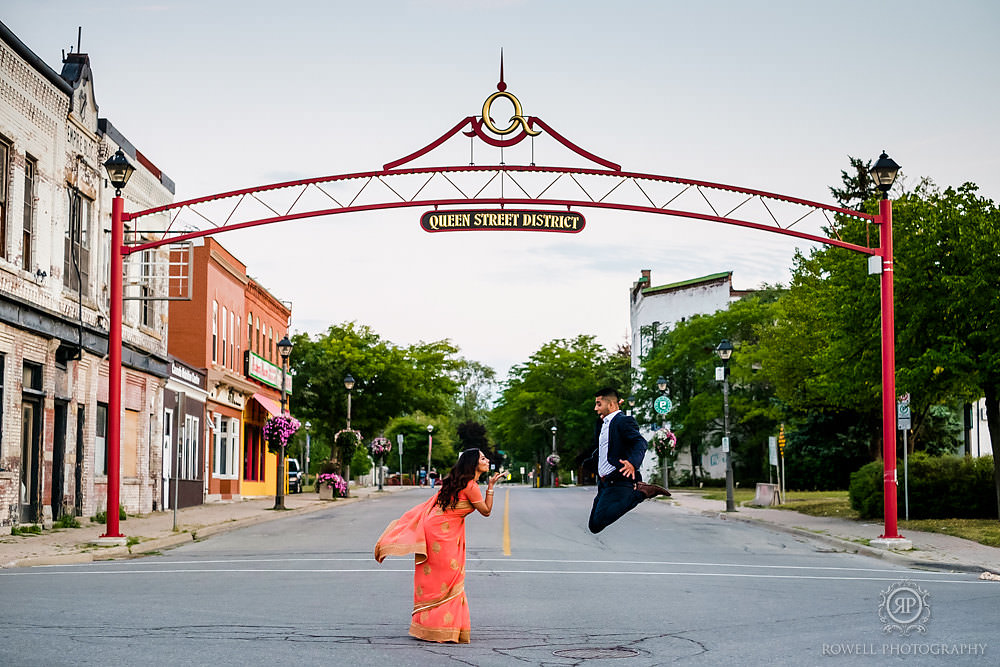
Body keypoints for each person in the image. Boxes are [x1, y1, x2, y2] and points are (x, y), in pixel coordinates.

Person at [375, 449, 503, 643]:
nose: (487, 461)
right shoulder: (470, 485)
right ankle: (440, 628)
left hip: (438, 529)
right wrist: (491, 488)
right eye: (483, 458)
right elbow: (486, 511)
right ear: (473, 463)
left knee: (441, 577)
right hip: (441, 534)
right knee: (448, 578)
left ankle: (434, 627)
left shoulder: (463, 482)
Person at [584, 387, 670, 533]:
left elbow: (640, 442)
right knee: (594, 525)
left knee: (598, 523)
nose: (595, 408)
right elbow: (605, 447)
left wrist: (632, 463)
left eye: (599, 404)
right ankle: (641, 492)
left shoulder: (623, 421)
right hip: (604, 482)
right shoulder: (604, 424)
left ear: (610, 405)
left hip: (619, 479)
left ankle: (642, 492)